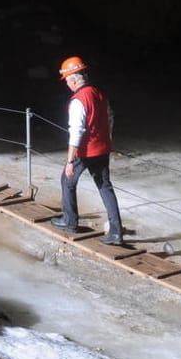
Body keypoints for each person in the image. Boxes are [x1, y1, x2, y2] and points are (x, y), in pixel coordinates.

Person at [51, 56, 124, 246]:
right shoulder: (99, 94)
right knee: (105, 187)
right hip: (103, 149)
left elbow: (76, 131)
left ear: (74, 79)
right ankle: (116, 232)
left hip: (86, 151)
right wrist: (107, 139)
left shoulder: (78, 100)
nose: (67, 84)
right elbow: (110, 117)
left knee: (67, 180)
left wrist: (69, 161)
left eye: (67, 80)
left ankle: (70, 221)